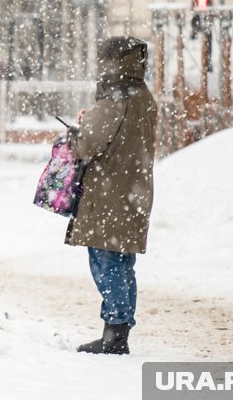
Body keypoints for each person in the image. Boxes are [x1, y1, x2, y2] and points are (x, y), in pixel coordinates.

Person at [65, 36, 158, 355]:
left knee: (106, 261)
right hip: (133, 189)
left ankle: (114, 333)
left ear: (112, 61)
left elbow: (87, 147)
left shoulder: (115, 97)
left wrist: (77, 132)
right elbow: (124, 137)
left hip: (109, 193)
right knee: (121, 262)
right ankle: (120, 328)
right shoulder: (143, 95)